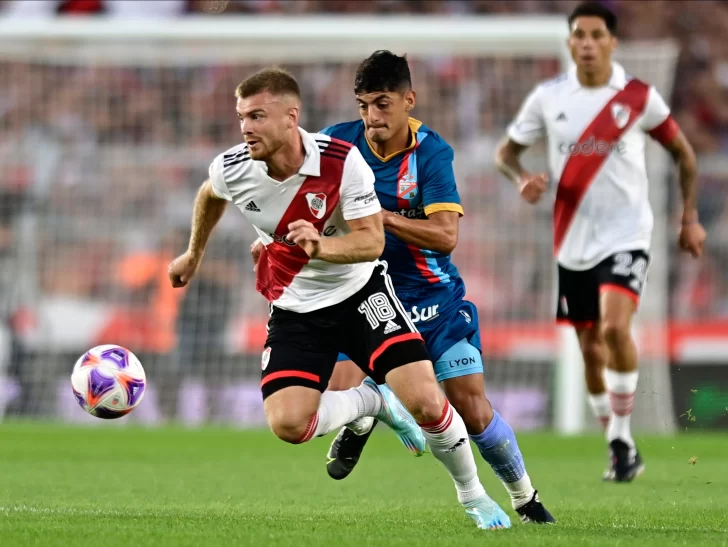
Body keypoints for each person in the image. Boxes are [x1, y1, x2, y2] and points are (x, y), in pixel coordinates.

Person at [169, 67, 510, 530]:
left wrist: (320, 247)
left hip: (360, 294)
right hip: (295, 307)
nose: (246, 127)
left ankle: (474, 496)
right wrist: (193, 253)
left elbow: (372, 242)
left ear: (291, 118)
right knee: (289, 425)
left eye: (257, 116)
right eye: (242, 117)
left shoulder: (341, 161)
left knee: (428, 403)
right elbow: (210, 194)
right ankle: (371, 402)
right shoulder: (233, 166)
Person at [288, 50, 554, 524]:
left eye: (383, 104)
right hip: (363, 295)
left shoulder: (432, 153)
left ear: (408, 100)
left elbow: (446, 236)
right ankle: (369, 412)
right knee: (336, 391)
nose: (372, 117)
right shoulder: (335, 144)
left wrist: (380, 217)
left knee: (471, 409)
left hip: (432, 300)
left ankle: (524, 497)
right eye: (364, 105)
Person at [495, 1, 706, 482]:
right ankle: (617, 442)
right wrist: (522, 178)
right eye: (579, 35)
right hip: (572, 239)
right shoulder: (548, 97)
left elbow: (684, 154)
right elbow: (505, 154)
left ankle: (623, 437)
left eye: (596, 35)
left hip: (627, 233)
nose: (587, 44)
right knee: (590, 348)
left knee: (614, 329)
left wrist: (689, 218)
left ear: (612, 42)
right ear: (569, 42)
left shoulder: (637, 96)